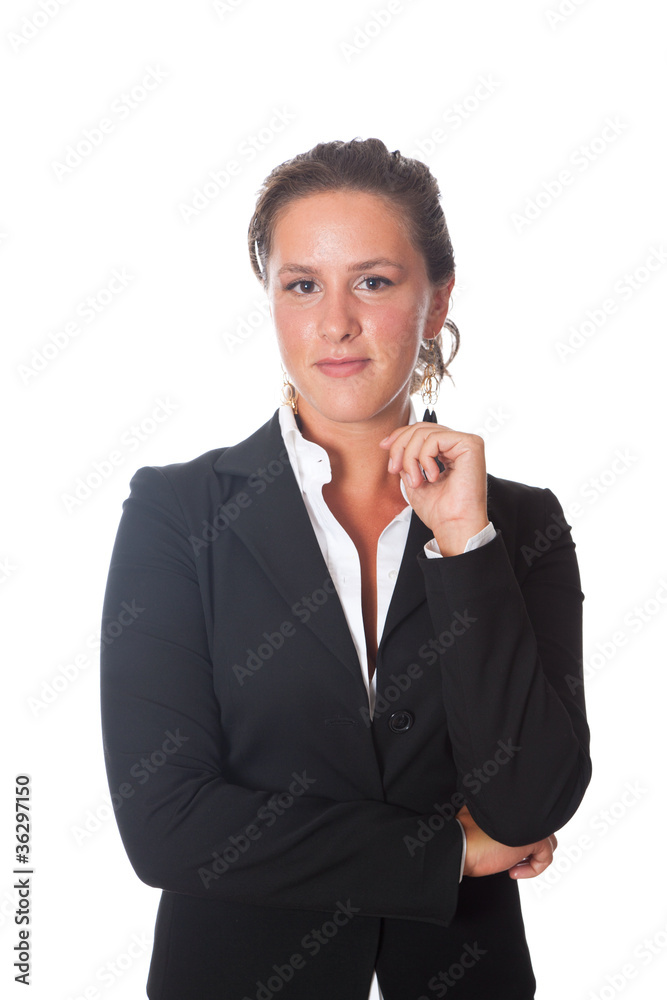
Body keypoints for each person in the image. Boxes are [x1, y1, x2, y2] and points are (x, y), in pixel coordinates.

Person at [100, 137, 591, 999]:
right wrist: (447, 854)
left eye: (373, 281)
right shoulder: (178, 513)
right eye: (302, 285)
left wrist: (462, 545)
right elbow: (167, 824)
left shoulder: (516, 524)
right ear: (271, 301)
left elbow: (528, 804)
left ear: (435, 302)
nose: (335, 323)